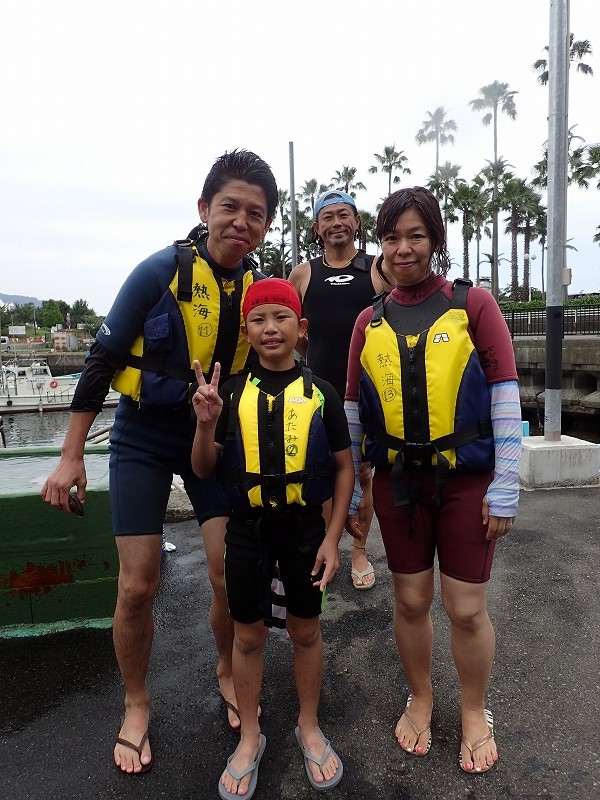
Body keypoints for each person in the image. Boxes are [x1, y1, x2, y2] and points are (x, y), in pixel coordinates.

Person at [40, 150, 279, 774]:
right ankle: (136, 701)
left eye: (256, 214)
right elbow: (101, 361)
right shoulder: (157, 273)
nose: (241, 222)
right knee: (137, 583)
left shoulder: (257, 291)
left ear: (265, 226)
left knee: (227, 574)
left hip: (212, 438)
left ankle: (227, 669)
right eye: (229, 207)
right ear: (204, 209)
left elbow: (275, 374)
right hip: (144, 434)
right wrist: (71, 457)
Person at [344, 187, 521, 774]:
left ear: (435, 241)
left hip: (467, 482)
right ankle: (420, 696)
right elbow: (353, 410)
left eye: (415, 235)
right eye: (392, 237)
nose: (403, 248)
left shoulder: (474, 306)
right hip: (398, 485)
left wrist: (506, 485)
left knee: (465, 608)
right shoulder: (369, 321)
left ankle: (473, 708)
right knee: (411, 600)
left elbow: (504, 397)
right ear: (381, 244)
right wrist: (353, 492)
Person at [191, 278, 356, 798]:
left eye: (281, 317)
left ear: (300, 327)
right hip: (246, 530)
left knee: (306, 631)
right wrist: (205, 425)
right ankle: (250, 736)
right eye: (258, 319)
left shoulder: (321, 393)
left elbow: (344, 469)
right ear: (246, 332)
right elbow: (204, 469)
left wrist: (333, 539)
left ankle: (309, 725)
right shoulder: (230, 393)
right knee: (247, 636)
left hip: (306, 532)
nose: (270, 328)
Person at [289, 190, 392, 590]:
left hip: (367, 391)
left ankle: (360, 550)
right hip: (319, 391)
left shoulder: (377, 268)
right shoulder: (303, 274)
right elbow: (295, 333)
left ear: (356, 221)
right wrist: (311, 361)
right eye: (328, 217)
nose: (336, 223)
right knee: (322, 470)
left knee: (363, 472)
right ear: (316, 227)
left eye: (344, 214)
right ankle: (325, 548)